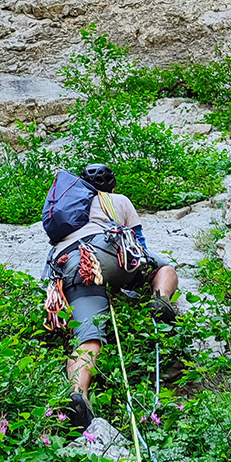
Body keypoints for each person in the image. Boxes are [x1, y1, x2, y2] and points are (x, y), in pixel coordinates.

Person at [44, 163, 179, 430]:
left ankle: (78, 394)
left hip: (72, 263)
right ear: (112, 187)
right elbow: (139, 245)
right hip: (110, 251)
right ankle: (160, 298)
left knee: (88, 337)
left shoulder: (68, 210)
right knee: (164, 269)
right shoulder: (118, 200)